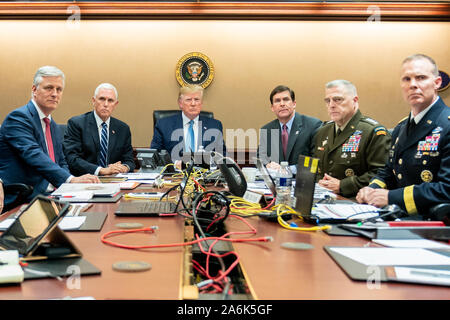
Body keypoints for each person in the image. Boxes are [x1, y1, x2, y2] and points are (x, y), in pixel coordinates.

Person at [357, 54, 450, 215]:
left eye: (421, 77)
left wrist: (392, 197)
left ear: (437, 83)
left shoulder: (446, 124)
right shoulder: (401, 128)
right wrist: (371, 189)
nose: (413, 85)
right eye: (407, 79)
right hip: (397, 217)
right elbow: (388, 171)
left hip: (433, 225)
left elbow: (447, 188)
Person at [0, 66, 99, 207]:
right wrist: (70, 180)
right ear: (34, 90)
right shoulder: (18, 118)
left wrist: (71, 186)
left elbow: (61, 161)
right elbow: (34, 156)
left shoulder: (51, 124)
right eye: (49, 88)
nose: (55, 94)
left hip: (53, 195)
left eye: (59, 89)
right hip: (26, 199)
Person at [313, 80, 391, 198]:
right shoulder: (322, 131)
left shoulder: (372, 132)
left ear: (355, 101)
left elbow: (381, 174)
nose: (331, 105)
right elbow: (315, 167)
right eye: (327, 101)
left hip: (356, 201)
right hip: (323, 199)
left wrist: (343, 185)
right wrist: (319, 182)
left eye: (338, 99)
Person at [63, 83, 135, 176]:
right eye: (102, 99)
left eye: (110, 100)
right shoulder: (77, 124)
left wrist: (124, 168)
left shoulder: (123, 129)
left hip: (114, 180)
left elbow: (129, 160)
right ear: (93, 101)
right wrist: (101, 170)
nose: (105, 104)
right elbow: (72, 158)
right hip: (85, 179)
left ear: (115, 104)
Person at [150, 85, 226, 163]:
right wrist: (174, 164)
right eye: (188, 100)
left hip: (204, 173)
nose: (193, 104)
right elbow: (155, 154)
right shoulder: (164, 125)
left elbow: (221, 155)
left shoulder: (215, 125)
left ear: (201, 103)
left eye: (196, 99)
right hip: (175, 173)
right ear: (180, 103)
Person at [258, 85, 322, 174]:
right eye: (277, 101)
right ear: (272, 108)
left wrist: (287, 170)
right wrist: (267, 165)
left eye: (286, 99)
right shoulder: (267, 130)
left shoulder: (313, 125)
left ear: (294, 104)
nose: (282, 104)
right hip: (276, 183)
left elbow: (316, 160)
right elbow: (261, 158)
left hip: (302, 182)